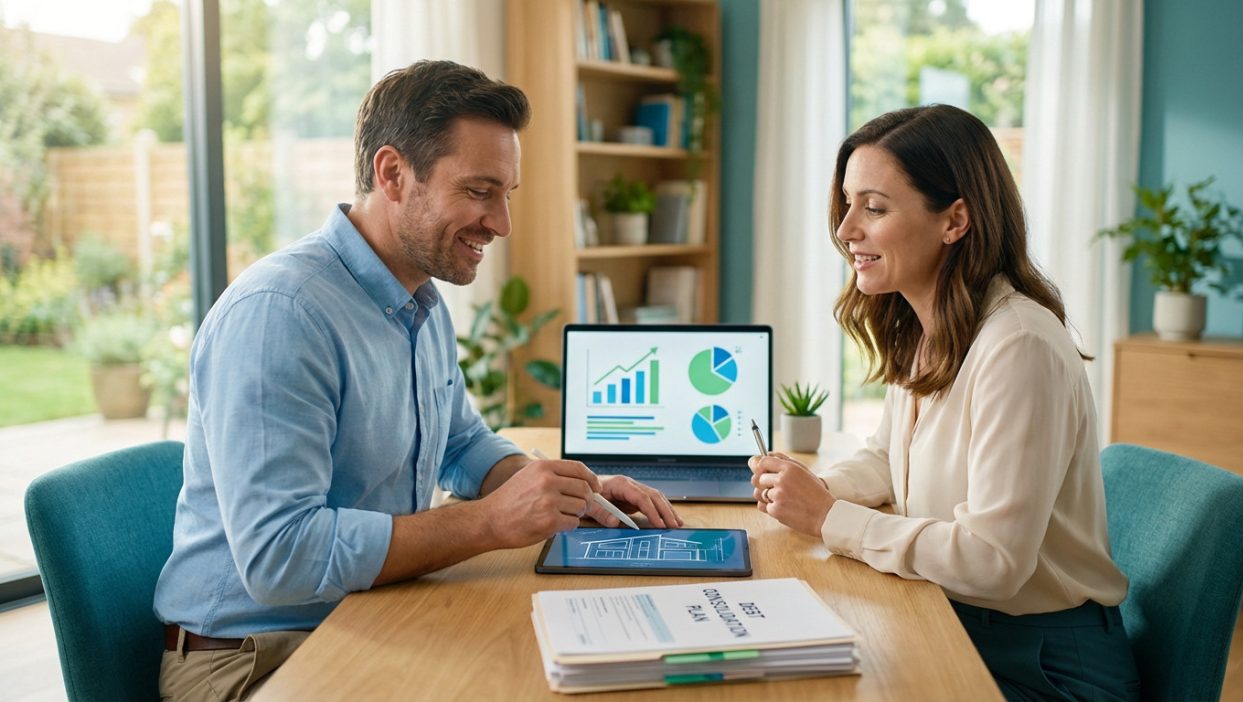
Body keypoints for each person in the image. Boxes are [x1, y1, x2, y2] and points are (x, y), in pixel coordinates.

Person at [154, 60, 681, 701]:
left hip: (364, 618)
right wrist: (488, 524)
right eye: (479, 192)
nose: (502, 224)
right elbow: (280, 556)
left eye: (506, 194)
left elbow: (461, 443)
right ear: (394, 174)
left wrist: (579, 495)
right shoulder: (280, 315)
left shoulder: (419, 301)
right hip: (254, 661)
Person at [749, 105, 1139, 701]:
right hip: (957, 620)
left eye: (874, 208)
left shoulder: (1019, 345)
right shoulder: (929, 325)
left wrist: (828, 518)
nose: (846, 228)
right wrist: (813, 487)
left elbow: (991, 562)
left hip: (1046, 667)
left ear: (955, 220)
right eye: (847, 203)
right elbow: (886, 459)